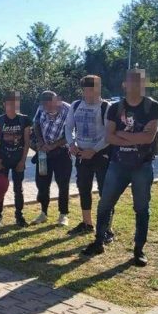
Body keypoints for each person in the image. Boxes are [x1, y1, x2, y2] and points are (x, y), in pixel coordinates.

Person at [82, 69, 158, 267]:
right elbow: (109, 137)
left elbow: (148, 138)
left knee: (141, 208)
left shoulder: (152, 107)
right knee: (105, 204)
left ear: (144, 84)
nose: (136, 85)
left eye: (140, 81)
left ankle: (139, 250)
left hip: (142, 166)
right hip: (117, 165)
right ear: (125, 85)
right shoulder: (115, 108)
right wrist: (135, 137)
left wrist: (121, 134)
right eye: (132, 81)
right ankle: (99, 241)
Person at [65, 75, 115, 240]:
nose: (90, 93)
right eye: (86, 90)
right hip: (81, 154)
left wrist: (94, 150)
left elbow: (109, 134)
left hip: (101, 154)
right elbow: (68, 128)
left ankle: (107, 229)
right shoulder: (75, 105)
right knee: (83, 188)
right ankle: (87, 223)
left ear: (99, 89)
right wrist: (71, 144)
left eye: (93, 89)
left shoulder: (106, 107)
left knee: (105, 192)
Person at [0, 91, 32, 227]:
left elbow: (27, 142)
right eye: (10, 103)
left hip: (18, 159)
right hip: (3, 159)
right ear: (4, 104)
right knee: (0, 187)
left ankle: (19, 216)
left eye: (15, 103)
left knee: (18, 189)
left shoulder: (24, 120)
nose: (12, 106)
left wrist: (22, 161)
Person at [32, 90, 72, 226]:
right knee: (42, 183)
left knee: (63, 184)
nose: (48, 108)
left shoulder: (68, 109)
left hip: (62, 151)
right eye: (46, 106)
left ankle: (63, 215)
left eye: (51, 105)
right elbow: (36, 124)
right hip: (44, 153)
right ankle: (43, 213)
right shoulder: (41, 108)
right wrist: (40, 142)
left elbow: (72, 133)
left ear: (56, 101)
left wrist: (54, 145)